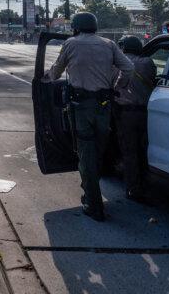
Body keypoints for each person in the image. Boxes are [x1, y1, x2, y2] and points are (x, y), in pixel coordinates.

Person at [47, 12, 133, 221]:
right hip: (104, 106)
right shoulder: (109, 44)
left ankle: (93, 204)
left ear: (76, 26)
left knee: (85, 153)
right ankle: (93, 192)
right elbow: (128, 68)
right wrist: (116, 86)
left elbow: (56, 71)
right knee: (98, 149)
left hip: (81, 107)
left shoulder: (71, 43)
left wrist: (45, 78)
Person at [114, 35, 157, 203]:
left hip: (126, 114)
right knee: (143, 150)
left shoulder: (119, 64)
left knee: (129, 152)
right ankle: (146, 184)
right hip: (146, 113)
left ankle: (133, 189)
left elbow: (114, 85)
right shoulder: (148, 63)